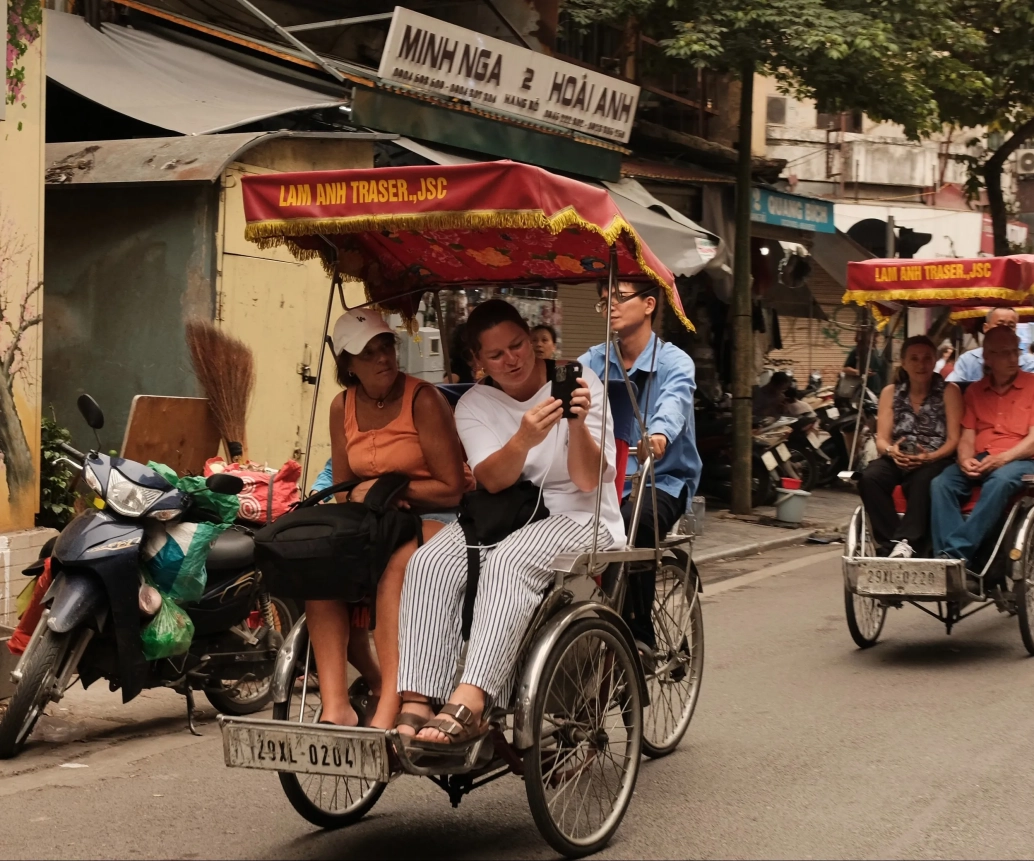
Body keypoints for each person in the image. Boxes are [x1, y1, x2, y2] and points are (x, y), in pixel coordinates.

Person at [394, 299, 623, 749]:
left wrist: (575, 425)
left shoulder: (581, 381)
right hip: (508, 514)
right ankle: (419, 697)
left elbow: (585, 479)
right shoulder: (474, 404)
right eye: (496, 355)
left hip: (580, 514)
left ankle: (473, 699)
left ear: (534, 343)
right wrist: (524, 438)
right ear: (479, 364)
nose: (511, 359)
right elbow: (492, 479)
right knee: (427, 564)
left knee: (509, 563)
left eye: (518, 346)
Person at [307, 308, 473, 730]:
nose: (383, 358)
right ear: (348, 364)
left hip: (437, 515)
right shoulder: (340, 406)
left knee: (395, 570)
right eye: (368, 353)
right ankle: (335, 707)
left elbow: (451, 487)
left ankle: (389, 705)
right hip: (375, 518)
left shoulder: (424, 399)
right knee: (319, 571)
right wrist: (363, 496)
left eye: (386, 347)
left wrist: (389, 491)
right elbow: (344, 487)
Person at [580, 280, 700, 656]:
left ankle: (641, 633)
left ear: (649, 304)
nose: (610, 306)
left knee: (635, 519)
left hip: (660, 481)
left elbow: (674, 402)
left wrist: (659, 435)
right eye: (604, 301)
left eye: (619, 297)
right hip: (604, 480)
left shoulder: (674, 362)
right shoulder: (593, 361)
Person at [931, 325, 1034, 564]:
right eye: (1004, 353)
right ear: (987, 357)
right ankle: (954, 563)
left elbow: (1032, 441)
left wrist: (1003, 459)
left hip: (1022, 460)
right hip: (982, 456)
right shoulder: (975, 391)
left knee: (1000, 481)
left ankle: (954, 556)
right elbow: (967, 435)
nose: (1012, 358)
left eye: (1014, 351)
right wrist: (965, 460)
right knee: (941, 483)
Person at [858, 336, 962, 558]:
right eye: (914, 358)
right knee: (869, 477)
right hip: (898, 456)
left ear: (935, 361)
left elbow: (954, 440)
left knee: (923, 480)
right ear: (903, 363)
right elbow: (882, 439)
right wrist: (891, 452)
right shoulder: (891, 392)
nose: (920, 364)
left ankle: (908, 541)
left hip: (935, 458)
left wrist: (930, 457)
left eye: (926, 358)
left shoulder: (949, 391)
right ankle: (889, 544)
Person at [946, 308, 1034, 382]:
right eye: (999, 325)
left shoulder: (1030, 363)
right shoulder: (968, 360)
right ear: (986, 328)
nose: (1005, 330)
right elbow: (952, 387)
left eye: (1011, 326)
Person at [843, 328, 888, 395]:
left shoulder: (878, 353)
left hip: (877, 393)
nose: (875, 339)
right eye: (873, 336)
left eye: (876, 336)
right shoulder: (857, 351)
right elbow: (845, 369)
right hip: (861, 393)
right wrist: (860, 372)